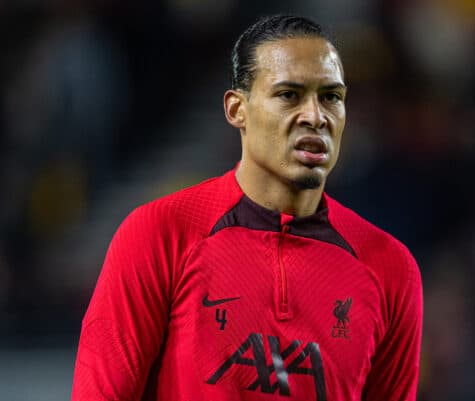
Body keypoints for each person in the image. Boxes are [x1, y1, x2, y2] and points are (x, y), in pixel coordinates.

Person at [71, 14, 423, 401]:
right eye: (289, 95)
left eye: (331, 97)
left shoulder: (389, 268)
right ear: (237, 109)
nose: (315, 116)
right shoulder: (161, 233)